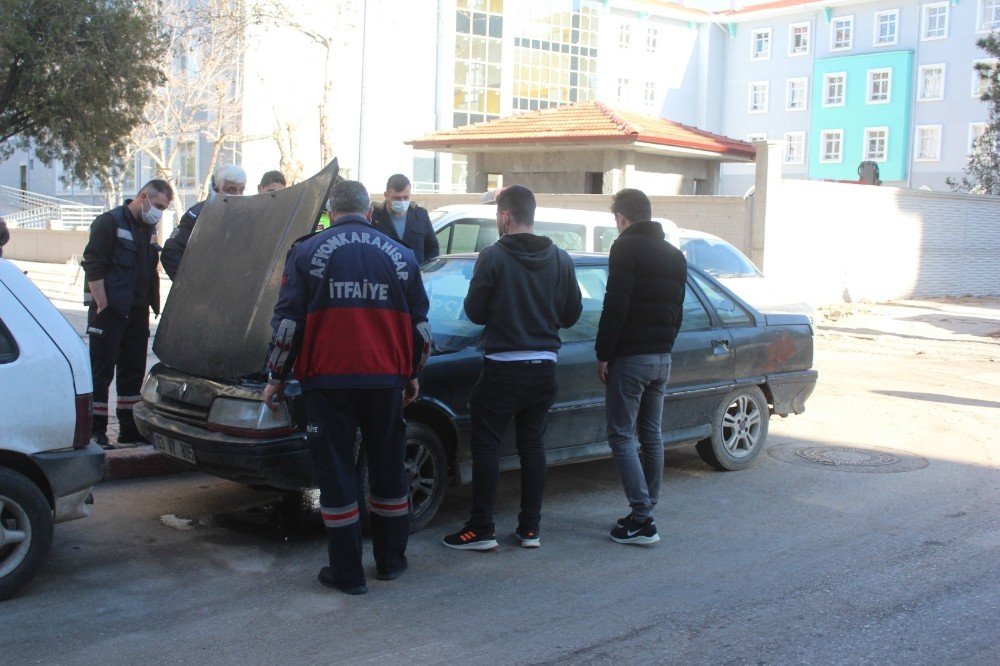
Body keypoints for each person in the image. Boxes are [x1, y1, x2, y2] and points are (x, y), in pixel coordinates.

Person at [263, 180, 431, 595]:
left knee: (336, 475)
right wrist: (411, 373)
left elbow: (287, 326)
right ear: (370, 213)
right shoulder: (403, 255)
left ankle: (348, 574)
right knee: (388, 469)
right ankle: (391, 562)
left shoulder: (306, 252)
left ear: (330, 213)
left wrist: (276, 377)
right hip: (385, 382)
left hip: (328, 383)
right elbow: (421, 329)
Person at [442, 185, 582, 551]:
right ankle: (530, 529)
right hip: (544, 367)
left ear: (504, 216)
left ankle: (481, 529)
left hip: (503, 368)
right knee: (533, 445)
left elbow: (475, 312)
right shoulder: (561, 258)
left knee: (487, 445)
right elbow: (572, 314)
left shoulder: (492, 256)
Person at [595, 188, 686, 546]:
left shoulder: (624, 248)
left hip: (631, 359)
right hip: (662, 357)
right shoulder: (674, 255)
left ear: (621, 218)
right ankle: (646, 509)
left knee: (621, 436)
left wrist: (603, 353)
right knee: (651, 435)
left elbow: (615, 305)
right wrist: (665, 346)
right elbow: (677, 311)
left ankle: (643, 519)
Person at [81, 180, 174, 449]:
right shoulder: (108, 223)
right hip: (110, 310)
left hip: (137, 311)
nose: (159, 213)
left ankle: (129, 429)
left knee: (133, 372)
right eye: (158, 206)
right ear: (143, 197)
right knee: (101, 373)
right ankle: (96, 431)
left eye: (164, 209)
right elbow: (94, 266)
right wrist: (102, 305)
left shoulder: (147, 229)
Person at [161, 163, 247, 280]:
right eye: (231, 190)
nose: (238, 195)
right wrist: (190, 283)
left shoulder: (246, 216)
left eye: (241, 190)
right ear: (217, 188)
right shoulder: (197, 215)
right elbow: (171, 252)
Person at [370, 174, 439, 263]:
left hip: (415, 270)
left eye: (406, 197)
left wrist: (426, 268)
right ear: (386, 195)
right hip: (385, 270)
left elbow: (433, 247)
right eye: (397, 198)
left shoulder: (421, 215)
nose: (402, 201)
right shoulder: (374, 216)